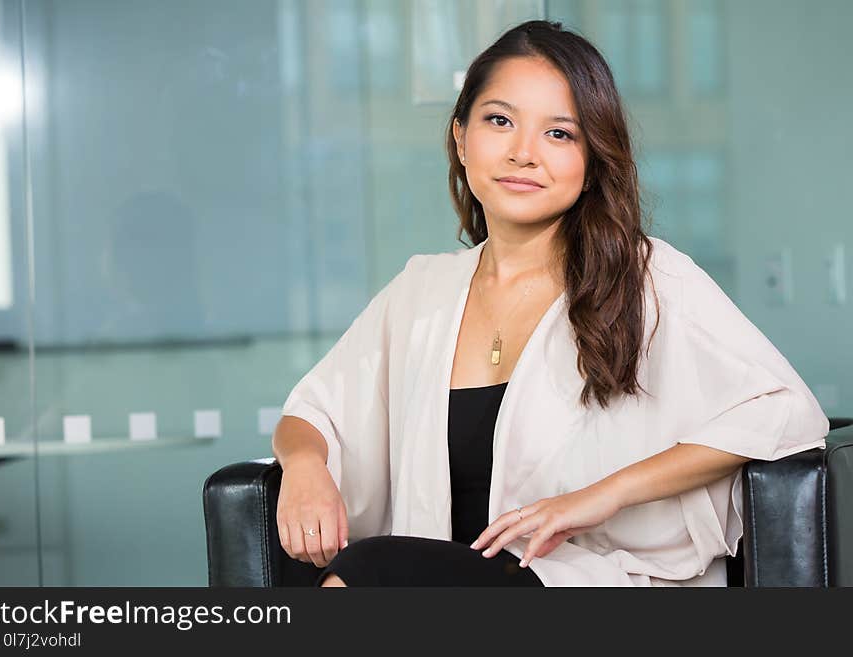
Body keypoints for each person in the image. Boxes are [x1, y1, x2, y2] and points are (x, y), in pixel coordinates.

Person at [271, 20, 829, 587]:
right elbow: (314, 412)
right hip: (441, 581)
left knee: (369, 569)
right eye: (500, 121)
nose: (523, 153)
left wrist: (601, 497)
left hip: (584, 582)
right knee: (354, 567)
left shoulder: (645, 276)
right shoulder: (422, 291)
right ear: (461, 138)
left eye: (559, 134)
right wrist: (305, 466)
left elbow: (784, 408)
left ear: (592, 161)